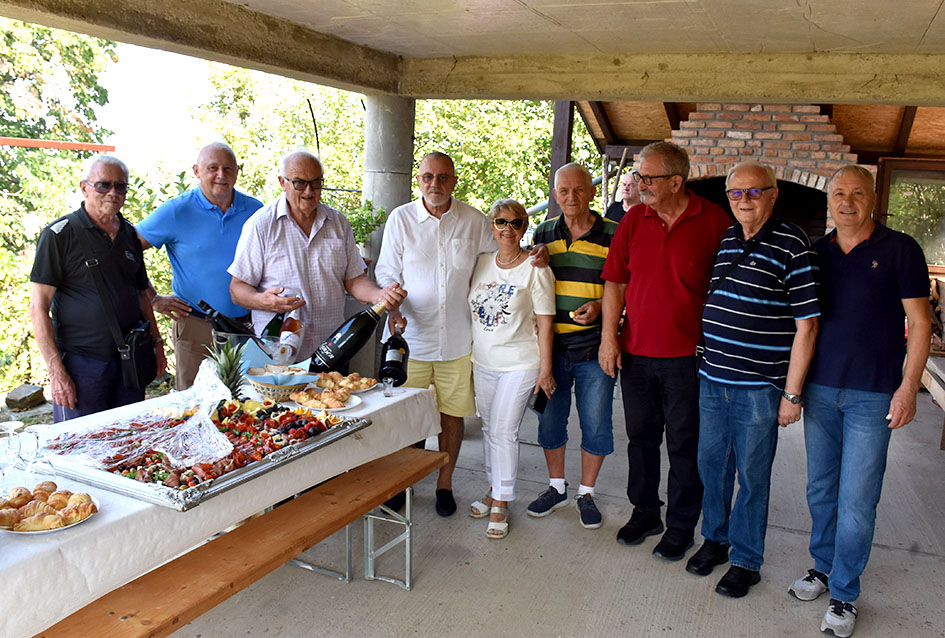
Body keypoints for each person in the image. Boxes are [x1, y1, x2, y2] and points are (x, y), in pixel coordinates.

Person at [788, 165, 930, 637]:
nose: (846, 201)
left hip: (874, 395)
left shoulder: (900, 249)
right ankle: (823, 568)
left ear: (873, 199)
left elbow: (921, 324)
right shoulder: (816, 253)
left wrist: (908, 387)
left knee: (857, 500)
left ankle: (845, 594)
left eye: (856, 193)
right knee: (821, 489)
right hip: (822, 391)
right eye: (838, 194)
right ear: (829, 200)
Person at [686, 162, 819, 598]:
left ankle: (746, 559)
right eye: (736, 193)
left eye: (753, 192)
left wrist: (792, 394)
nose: (744, 200)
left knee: (752, 476)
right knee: (711, 467)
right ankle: (716, 540)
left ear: (773, 193)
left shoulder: (793, 244)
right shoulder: (727, 237)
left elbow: (808, 325)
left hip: (759, 386)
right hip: (712, 378)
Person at [599, 141, 730, 558]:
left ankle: (681, 524)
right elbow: (615, 283)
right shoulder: (634, 220)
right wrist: (608, 338)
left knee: (684, 443)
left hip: (690, 357)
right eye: (637, 177)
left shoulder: (714, 221)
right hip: (636, 353)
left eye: (646, 178)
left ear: (676, 181)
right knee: (640, 438)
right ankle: (645, 511)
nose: (638, 185)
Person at [374, 152, 494, 517]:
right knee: (404, 417)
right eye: (427, 177)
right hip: (408, 340)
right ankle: (401, 482)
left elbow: (495, 266)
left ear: (454, 180)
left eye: (443, 178)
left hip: (457, 339)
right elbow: (385, 272)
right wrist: (392, 303)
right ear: (419, 180)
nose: (434, 185)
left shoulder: (475, 220)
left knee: (451, 416)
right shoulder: (401, 219)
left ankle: (445, 483)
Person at [228, 150, 405, 361]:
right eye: (300, 183)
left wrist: (380, 296)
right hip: (278, 355)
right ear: (282, 183)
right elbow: (237, 289)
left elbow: (355, 280)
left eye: (316, 182)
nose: (309, 191)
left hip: (332, 350)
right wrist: (264, 301)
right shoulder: (261, 225)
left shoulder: (338, 223)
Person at [29, 155, 167, 421]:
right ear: (84, 187)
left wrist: (157, 344)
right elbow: (38, 308)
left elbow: (141, 294)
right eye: (103, 185)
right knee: (80, 447)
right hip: (82, 364)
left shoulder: (128, 234)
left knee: (128, 442)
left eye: (121, 186)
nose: (113, 193)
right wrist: (56, 371)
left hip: (130, 361)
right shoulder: (59, 235)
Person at [525, 162, 616, 530]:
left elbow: (622, 286)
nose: (571, 197)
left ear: (592, 192)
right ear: (555, 194)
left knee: (596, 424)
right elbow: (532, 284)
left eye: (578, 190)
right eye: (563, 191)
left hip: (595, 349)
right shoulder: (544, 231)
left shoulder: (614, 232)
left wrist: (598, 307)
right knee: (549, 421)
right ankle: (556, 487)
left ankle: (586, 493)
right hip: (552, 350)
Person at [137, 142, 263, 389]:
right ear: (196, 171)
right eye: (212, 168)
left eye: (228, 169)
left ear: (237, 171)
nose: (221, 175)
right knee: (194, 404)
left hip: (246, 327)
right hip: (196, 325)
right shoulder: (176, 211)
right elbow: (127, 251)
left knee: (250, 403)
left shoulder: (255, 210)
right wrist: (153, 298)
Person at [466, 198, 556, 539]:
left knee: (504, 431)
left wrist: (545, 370)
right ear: (492, 227)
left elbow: (546, 324)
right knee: (490, 428)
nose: (508, 229)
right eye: (501, 222)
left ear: (524, 228)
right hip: (484, 361)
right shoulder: (481, 263)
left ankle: (502, 501)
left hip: (520, 363)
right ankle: (494, 489)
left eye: (516, 223)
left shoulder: (537, 268)